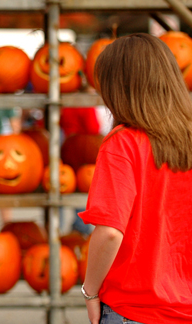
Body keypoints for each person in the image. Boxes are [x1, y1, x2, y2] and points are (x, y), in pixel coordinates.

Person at [80, 33, 192, 324]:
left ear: (120, 89)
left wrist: (90, 292)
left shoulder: (123, 143)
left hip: (134, 310)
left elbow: (110, 232)